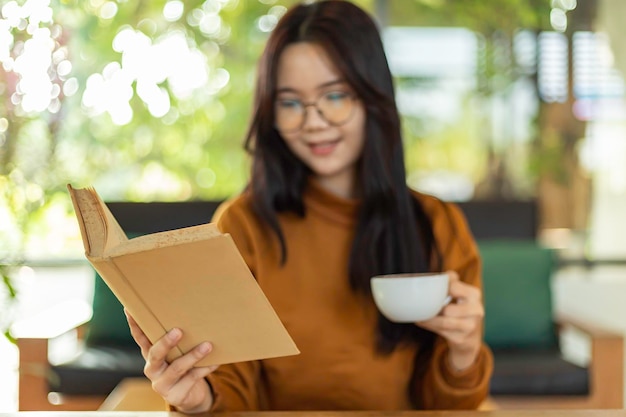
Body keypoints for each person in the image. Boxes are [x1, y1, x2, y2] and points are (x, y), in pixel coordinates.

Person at [126, 0, 493, 412]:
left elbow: (448, 406)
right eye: (290, 103)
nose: (313, 121)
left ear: (373, 99)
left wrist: (463, 353)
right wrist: (198, 400)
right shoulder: (244, 225)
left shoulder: (436, 223)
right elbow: (231, 382)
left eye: (335, 96)